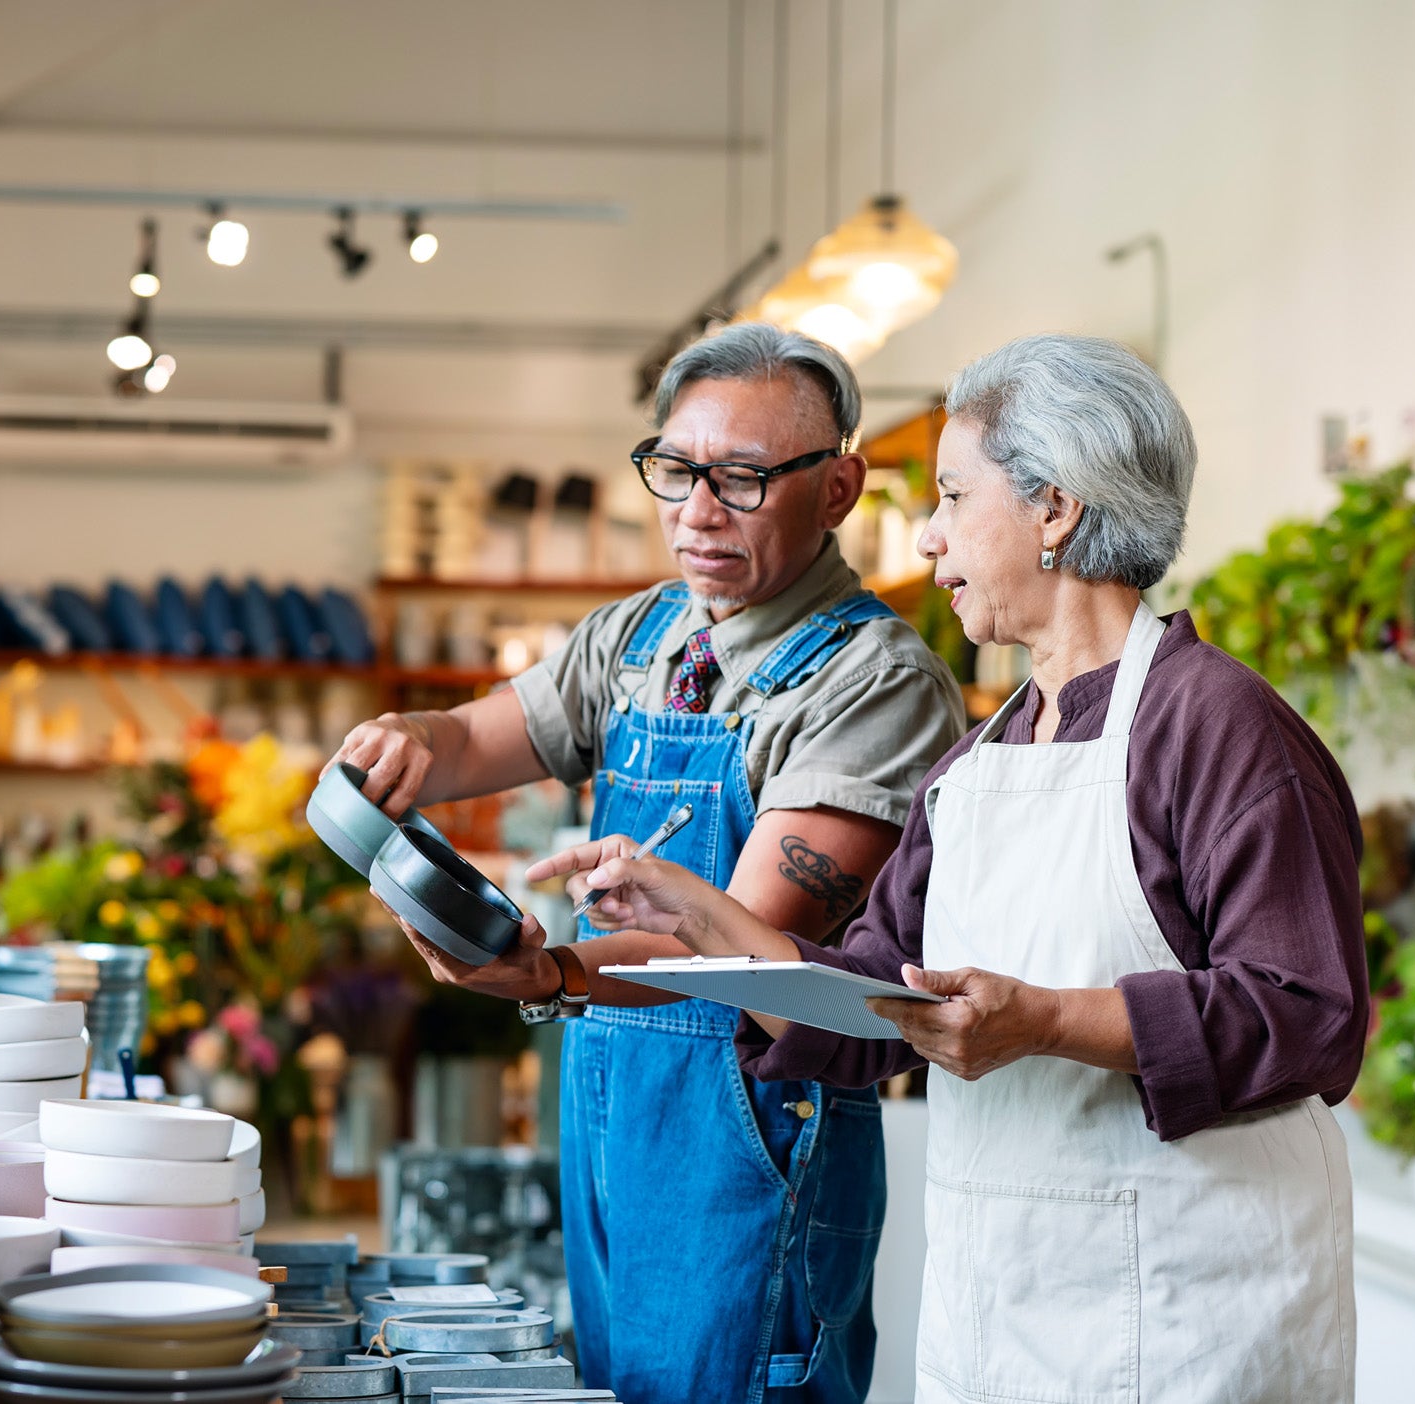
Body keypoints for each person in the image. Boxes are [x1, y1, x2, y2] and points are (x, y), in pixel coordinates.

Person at [530, 333, 1368, 1404]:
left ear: (1055, 509)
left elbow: (1310, 1012)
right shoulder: (978, 766)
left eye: (952, 496)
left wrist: (1049, 1022)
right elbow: (864, 1004)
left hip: (1189, 1320)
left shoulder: (1221, 730)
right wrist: (697, 913)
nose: (927, 539)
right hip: (1003, 1315)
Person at [334, 323, 966, 1404]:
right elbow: (490, 734)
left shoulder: (874, 684)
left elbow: (738, 949)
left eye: (745, 479)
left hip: (751, 1142)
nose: (697, 511)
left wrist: (554, 975)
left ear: (840, 488)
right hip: (614, 1110)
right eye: (675, 471)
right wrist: (413, 743)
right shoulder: (641, 640)